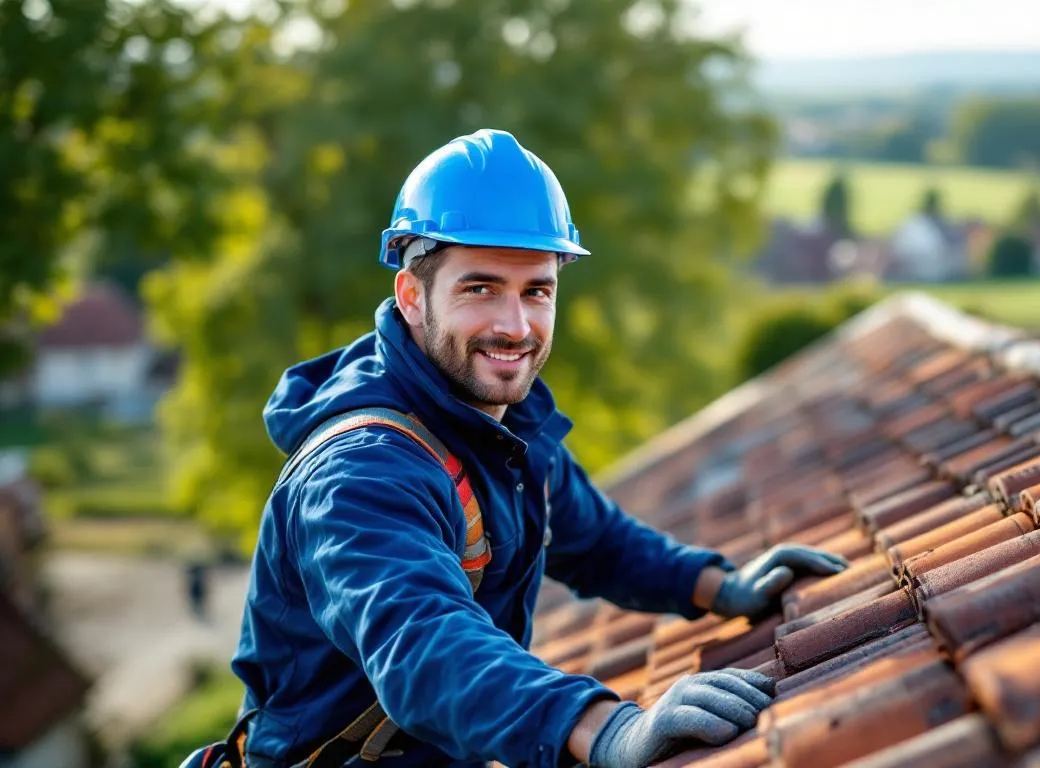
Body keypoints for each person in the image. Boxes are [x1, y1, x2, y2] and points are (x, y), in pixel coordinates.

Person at [228, 129, 848, 768]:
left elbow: (597, 539)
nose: (515, 326)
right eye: (480, 289)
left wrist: (718, 584)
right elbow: (426, 647)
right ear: (413, 297)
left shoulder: (504, 422)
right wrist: (602, 727)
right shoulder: (361, 471)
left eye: (536, 291)